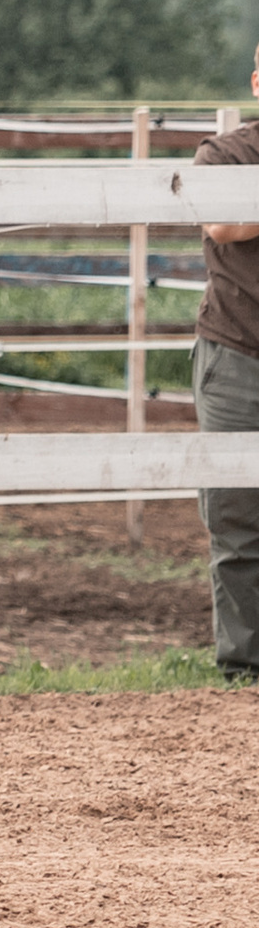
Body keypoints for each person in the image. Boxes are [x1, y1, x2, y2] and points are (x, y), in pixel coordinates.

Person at [195, 44, 259, 680]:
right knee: (236, 517)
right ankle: (243, 664)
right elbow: (222, 221)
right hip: (239, 350)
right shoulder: (227, 153)